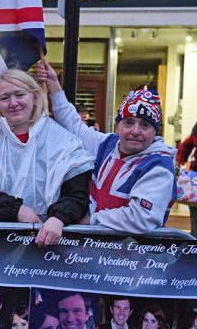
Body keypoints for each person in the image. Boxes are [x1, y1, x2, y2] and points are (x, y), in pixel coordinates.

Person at [0, 69, 93, 246]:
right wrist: (15, 210)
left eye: (20, 94)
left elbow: (77, 195)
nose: (13, 103)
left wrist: (59, 218)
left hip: (45, 245)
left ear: (34, 97)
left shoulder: (62, 141)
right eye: (5, 98)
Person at [37, 62, 176, 234]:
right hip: (95, 250)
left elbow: (140, 218)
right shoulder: (108, 144)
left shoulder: (159, 166)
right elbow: (73, 125)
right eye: (128, 122)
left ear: (155, 131)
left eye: (145, 125)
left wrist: (93, 219)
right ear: (118, 126)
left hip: (135, 257)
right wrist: (54, 85)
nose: (135, 131)